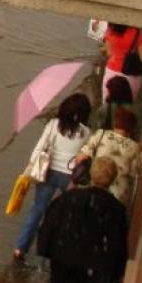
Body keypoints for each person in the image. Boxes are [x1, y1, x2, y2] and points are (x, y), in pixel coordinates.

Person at [36, 156, 128, 283]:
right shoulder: (116, 210)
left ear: (91, 175)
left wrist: (45, 249)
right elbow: (117, 244)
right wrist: (115, 272)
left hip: (64, 257)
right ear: (112, 180)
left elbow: (49, 225)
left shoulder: (69, 198)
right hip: (93, 264)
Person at [13, 93, 92, 261]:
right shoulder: (86, 133)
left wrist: (30, 168)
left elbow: (39, 148)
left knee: (37, 210)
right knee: (69, 213)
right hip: (70, 177)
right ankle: (63, 249)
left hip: (47, 173)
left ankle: (21, 248)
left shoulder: (53, 125)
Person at [74, 107, 141, 207]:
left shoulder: (101, 135)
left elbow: (82, 156)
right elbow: (134, 172)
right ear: (131, 128)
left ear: (116, 123)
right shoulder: (135, 147)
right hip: (118, 192)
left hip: (96, 184)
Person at [102, 23, 142, 98]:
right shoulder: (138, 33)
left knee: (107, 103)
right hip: (131, 73)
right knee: (127, 103)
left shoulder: (110, 30)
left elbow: (108, 52)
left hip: (111, 71)